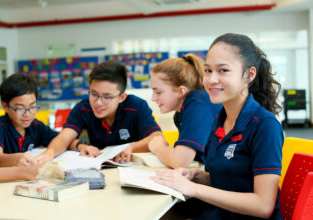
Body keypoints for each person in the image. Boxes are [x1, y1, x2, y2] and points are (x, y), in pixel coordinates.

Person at [152, 33, 283, 219]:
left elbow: (263, 206)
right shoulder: (220, 121)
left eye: (223, 70)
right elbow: (233, 180)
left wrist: (193, 188)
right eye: (208, 70)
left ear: (249, 74)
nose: (212, 80)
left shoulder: (264, 125)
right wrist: (197, 176)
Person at [36, 60, 162, 164]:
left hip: (133, 167)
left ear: (121, 97)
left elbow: (157, 137)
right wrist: (49, 154)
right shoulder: (83, 109)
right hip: (100, 167)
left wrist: (132, 148)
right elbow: (64, 137)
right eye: (94, 94)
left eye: (107, 97)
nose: (98, 103)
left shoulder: (136, 106)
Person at [149, 54, 222, 168]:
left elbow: (179, 162)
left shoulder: (198, 103)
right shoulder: (180, 113)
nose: (153, 98)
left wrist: (159, 147)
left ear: (180, 91)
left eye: (158, 92)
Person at [0, 74, 71, 167]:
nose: (27, 114)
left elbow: (63, 139)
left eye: (32, 106)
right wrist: (17, 159)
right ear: (5, 106)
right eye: (20, 108)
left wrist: (79, 145)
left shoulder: (36, 126)